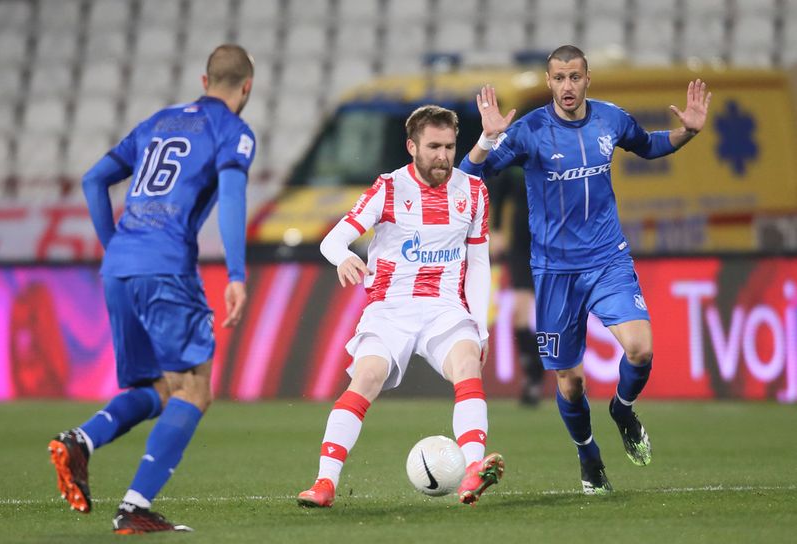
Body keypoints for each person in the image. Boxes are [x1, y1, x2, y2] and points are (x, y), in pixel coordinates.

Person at [460, 45, 711, 494]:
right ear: (549, 81)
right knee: (570, 382)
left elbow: (649, 145)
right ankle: (588, 454)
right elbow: (468, 178)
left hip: (607, 258)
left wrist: (686, 132)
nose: (567, 86)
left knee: (641, 349)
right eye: (558, 78)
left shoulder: (610, 119)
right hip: (554, 272)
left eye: (574, 77)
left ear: (587, 79)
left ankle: (622, 407)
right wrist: (486, 140)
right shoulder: (530, 130)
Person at [47, 44, 256, 533]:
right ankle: (135, 508)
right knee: (196, 389)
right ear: (246, 87)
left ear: (205, 82)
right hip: (165, 266)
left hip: (120, 268)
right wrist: (237, 276)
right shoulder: (232, 131)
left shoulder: (159, 122)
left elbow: (94, 180)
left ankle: (81, 440)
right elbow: (231, 199)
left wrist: (114, 247)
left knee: (157, 387)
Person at [297, 105, 504, 508]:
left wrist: (480, 328)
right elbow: (331, 241)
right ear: (412, 147)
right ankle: (324, 482)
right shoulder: (388, 188)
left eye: (449, 146)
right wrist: (343, 258)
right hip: (390, 308)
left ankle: (473, 471)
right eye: (433, 147)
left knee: (467, 364)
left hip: (445, 307)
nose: (443, 156)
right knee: (367, 377)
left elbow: (479, 263)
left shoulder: (474, 192)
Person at [485, 168, 545, 406]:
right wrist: (496, 231)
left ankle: (565, 382)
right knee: (520, 317)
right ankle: (534, 376)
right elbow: (498, 197)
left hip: (552, 246)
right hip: (521, 248)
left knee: (554, 318)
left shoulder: (555, 155)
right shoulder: (514, 163)